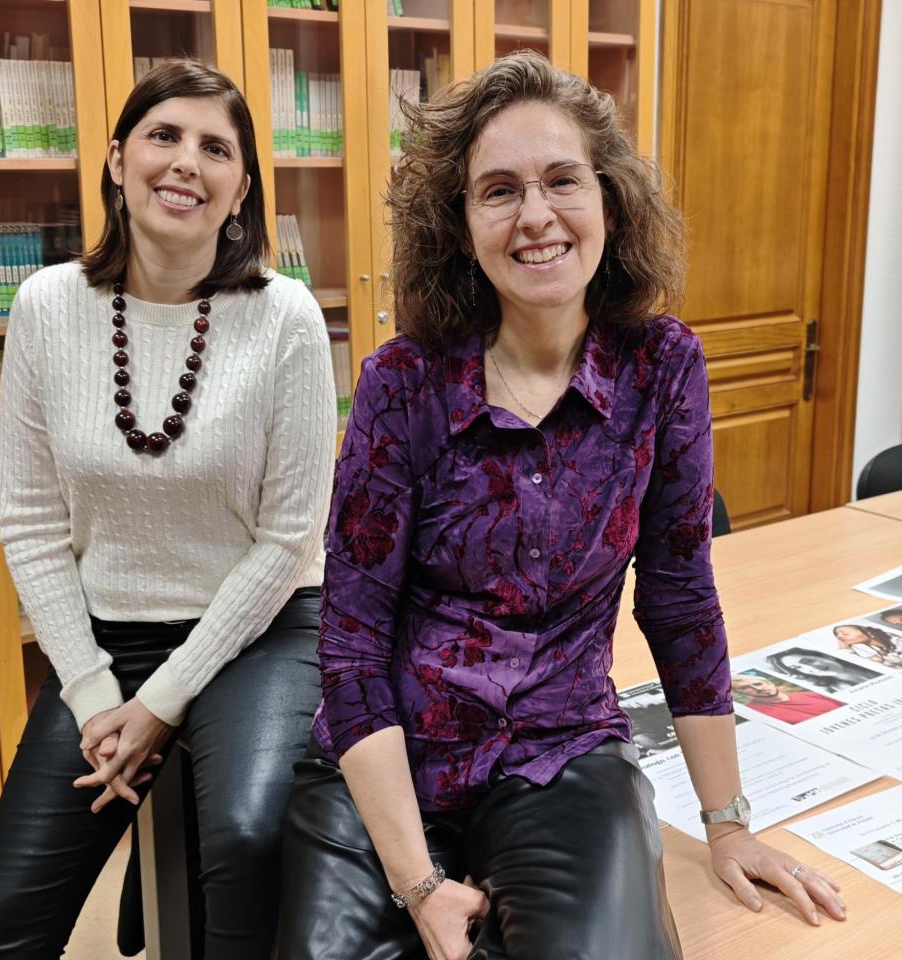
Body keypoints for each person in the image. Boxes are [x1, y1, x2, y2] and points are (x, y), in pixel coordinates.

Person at [276, 53, 845, 960]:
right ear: (461, 226)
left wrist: (728, 822)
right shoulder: (403, 384)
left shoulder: (662, 369)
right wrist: (419, 884)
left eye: (562, 181)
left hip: (560, 751)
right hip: (387, 759)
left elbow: (679, 598)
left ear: (609, 203)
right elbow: (350, 647)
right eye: (498, 190)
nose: (535, 215)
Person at [0, 61, 335, 958]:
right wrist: (95, 697)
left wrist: (161, 703)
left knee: (245, 840)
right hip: (105, 636)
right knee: (1, 929)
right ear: (119, 159)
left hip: (261, 628)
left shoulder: (287, 320)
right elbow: (31, 525)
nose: (185, 163)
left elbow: (289, 542)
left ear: (241, 188)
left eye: (216, 148)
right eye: (165, 135)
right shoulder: (47, 306)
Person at [731, 674, 846, 725]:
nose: (757, 688)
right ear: (739, 693)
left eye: (758, 683)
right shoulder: (756, 714)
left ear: (769, 682)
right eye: (745, 688)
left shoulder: (812, 694)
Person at [766, 649, 881, 694]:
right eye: (798, 668)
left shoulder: (874, 663)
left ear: (826, 656)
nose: (811, 668)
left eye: (808, 661)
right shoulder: (834, 691)